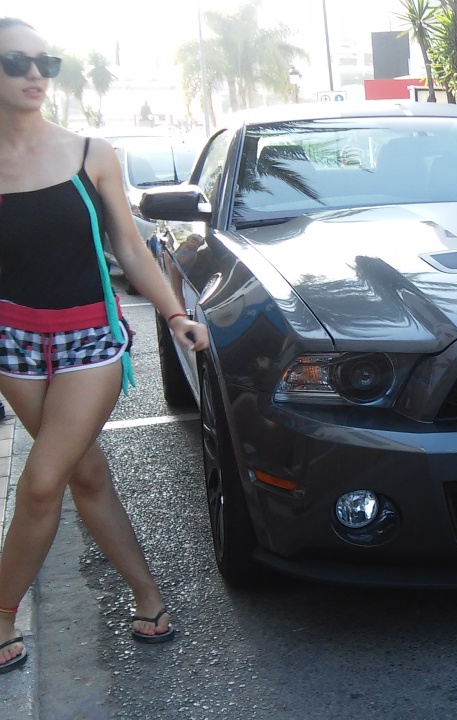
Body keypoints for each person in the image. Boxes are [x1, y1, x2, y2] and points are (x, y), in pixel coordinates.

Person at [0, 17, 210, 674]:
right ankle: (147, 594)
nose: (36, 75)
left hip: (91, 338)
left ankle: (0, 616)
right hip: (12, 342)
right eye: (17, 62)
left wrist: (175, 315)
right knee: (84, 473)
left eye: (47, 63)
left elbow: (128, 245)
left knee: (40, 485)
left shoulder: (90, 152)